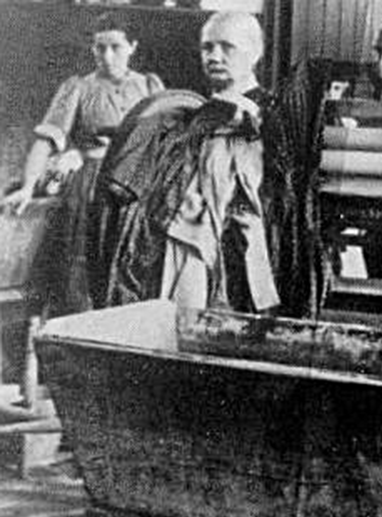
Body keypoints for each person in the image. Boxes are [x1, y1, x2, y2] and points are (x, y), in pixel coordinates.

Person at [99, 11, 289, 314]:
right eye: (207, 47)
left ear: (255, 52)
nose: (214, 56)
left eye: (227, 47)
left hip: (233, 249)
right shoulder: (194, 114)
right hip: (175, 239)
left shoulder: (267, 116)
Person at [1, 13, 163, 314]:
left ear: (133, 47)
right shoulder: (78, 88)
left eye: (115, 47)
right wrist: (27, 186)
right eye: (99, 48)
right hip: (92, 188)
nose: (107, 56)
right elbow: (46, 139)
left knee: (132, 268)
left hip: (138, 189)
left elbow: (166, 139)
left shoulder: (150, 86)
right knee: (85, 274)